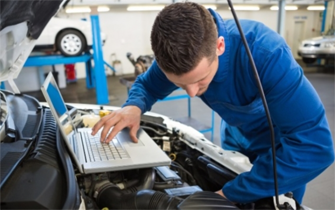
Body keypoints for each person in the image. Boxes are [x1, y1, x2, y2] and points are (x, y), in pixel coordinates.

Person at [92, 2, 334, 205]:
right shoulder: (177, 54)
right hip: (234, 137)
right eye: (180, 84)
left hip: (281, 151)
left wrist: (227, 195)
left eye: (200, 80)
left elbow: (314, 147)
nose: (192, 93)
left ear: (219, 46)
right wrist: (133, 107)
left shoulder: (266, 54)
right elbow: (146, 85)